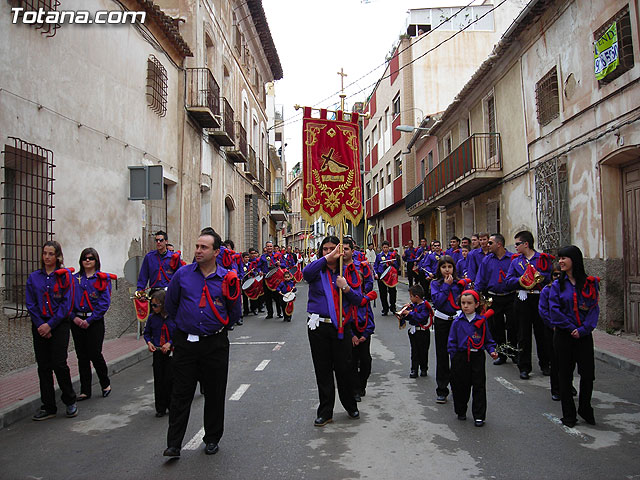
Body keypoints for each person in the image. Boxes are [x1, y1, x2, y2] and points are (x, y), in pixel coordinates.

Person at [163, 227, 241, 457]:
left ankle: (212, 438)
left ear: (216, 252)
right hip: (186, 344)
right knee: (180, 394)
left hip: (214, 344)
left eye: (203, 247)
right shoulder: (183, 274)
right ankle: (174, 444)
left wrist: (215, 328)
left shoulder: (227, 277)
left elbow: (234, 312)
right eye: (197, 246)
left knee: (215, 394)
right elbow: (171, 304)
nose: (198, 251)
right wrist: (182, 327)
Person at [303, 236, 364, 427]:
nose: (329, 252)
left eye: (333, 248)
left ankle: (350, 404)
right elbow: (305, 273)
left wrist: (345, 287)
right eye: (325, 249)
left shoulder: (347, 272)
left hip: (341, 327)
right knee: (323, 370)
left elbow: (358, 299)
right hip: (318, 327)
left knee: (344, 368)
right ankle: (325, 411)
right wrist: (326, 258)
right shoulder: (317, 271)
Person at [26, 241, 78, 421]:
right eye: (44, 253)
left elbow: (67, 304)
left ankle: (70, 400)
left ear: (57, 256)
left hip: (59, 325)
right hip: (40, 324)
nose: (47, 257)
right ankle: (48, 405)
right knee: (44, 367)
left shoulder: (65, 277)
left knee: (59, 363)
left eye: (50, 254)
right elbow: (31, 303)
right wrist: (41, 324)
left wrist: (51, 325)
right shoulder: (34, 278)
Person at [548, 246, 599, 427]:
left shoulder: (590, 283)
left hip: (583, 335)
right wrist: (571, 328)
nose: (560, 262)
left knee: (587, 375)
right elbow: (554, 310)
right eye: (559, 258)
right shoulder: (556, 285)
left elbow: (593, 308)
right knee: (565, 374)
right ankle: (568, 414)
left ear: (574, 260)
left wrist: (584, 329)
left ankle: (585, 407)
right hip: (564, 335)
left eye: (564, 258)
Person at [506, 231, 553, 380]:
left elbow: (551, 276)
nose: (516, 247)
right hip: (523, 298)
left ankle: (545, 364)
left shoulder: (542, 259)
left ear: (526, 244)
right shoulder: (515, 261)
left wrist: (540, 276)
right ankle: (524, 366)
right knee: (523, 334)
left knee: (542, 334)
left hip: (539, 298)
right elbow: (508, 281)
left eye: (518, 244)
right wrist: (521, 280)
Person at [447, 290, 498, 427]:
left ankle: (479, 415)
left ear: (476, 304)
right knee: (460, 386)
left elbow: (488, 340)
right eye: (463, 303)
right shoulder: (457, 321)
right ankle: (461, 410)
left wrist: (492, 351)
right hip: (461, 357)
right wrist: (454, 357)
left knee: (479, 386)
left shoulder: (481, 321)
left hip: (477, 356)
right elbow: (451, 341)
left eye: (469, 303)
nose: (465, 306)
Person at [71, 248, 112, 401]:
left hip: (93, 322)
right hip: (76, 321)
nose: (87, 261)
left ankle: (105, 383)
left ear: (96, 261)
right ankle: (85, 390)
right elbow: (68, 301)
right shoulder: (74, 279)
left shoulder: (101, 279)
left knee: (95, 354)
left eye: (91, 258)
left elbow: (104, 303)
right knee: (82, 357)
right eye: (84, 258)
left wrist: (90, 320)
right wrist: (74, 318)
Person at [474, 234, 516, 365]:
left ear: (499, 244)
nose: (487, 245)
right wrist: (475, 294)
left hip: (510, 296)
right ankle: (501, 354)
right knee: (496, 327)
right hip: (493, 298)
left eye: (490, 243)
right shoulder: (486, 260)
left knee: (513, 326)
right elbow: (481, 278)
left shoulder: (512, 259)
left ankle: (514, 352)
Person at [431, 256, 467, 404]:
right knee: (442, 355)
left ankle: (457, 387)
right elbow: (438, 302)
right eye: (444, 267)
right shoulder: (436, 283)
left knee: (458, 356)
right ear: (439, 269)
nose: (447, 270)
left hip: (457, 322)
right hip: (442, 321)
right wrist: (446, 286)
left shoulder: (459, 284)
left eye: (449, 267)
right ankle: (442, 389)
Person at [343, 238, 376, 402]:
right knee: (350, 360)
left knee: (365, 360)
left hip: (362, 325)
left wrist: (361, 296)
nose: (344, 252)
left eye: (347, 249)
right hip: (347, 324)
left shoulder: (361, 266)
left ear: (353, 250)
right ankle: (354, 389)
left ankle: (361, 385)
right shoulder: (337, 269)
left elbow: (369, 284)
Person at [143, 290, 176, 417]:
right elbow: (147, 333)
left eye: (156, 305)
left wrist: (170, 343)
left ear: (163, 305)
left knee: (170, 379)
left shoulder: (173, 317)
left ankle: (171, 405)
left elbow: (178, 333)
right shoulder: (152, 318)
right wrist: (149, 342)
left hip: (171, 352)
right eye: (152, 305)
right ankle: (160, 407)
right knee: (159, 380)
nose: (153, 308)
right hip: (158, 352)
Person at [397, 285, 433, 378]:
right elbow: (410, 318)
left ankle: (424, 369)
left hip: (423, 331)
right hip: (414, 332)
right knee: (415, 352)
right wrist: (403, 314)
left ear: (416, 297)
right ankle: (414, 370)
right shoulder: (413, 305)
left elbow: (422, 317)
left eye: (411, 296)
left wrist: (410, 313)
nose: (410, 299)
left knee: (423, 351)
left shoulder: (425, 306)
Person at [538, 264, 562, 401]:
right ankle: (556, 389)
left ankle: (567, 384)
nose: (558, 277)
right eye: (555, 275)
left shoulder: (566, 289)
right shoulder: (547, 290)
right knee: (555, 359)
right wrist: (553, 325)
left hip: (565, 329)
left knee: (567, 361)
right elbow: (543, 310)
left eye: (560, 274)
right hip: (551, 329)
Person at [257, 241, 285, 319]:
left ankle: (279, 313)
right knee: (267, 297)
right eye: (268, 246)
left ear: (273, 247)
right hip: (266, 279)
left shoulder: (278, 256)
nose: (269, 248)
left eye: (270, 246)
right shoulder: (262, 257)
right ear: (266, 248)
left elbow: (284, 264)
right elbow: (258, 267)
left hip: (276, 279)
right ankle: (270, 313)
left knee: (277, 297)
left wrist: (280, 264)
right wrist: (259, 271)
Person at [374, 241, 399, 315]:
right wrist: (376, 274)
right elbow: (375, 266)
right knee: (383, 293)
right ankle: (385, 309)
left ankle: (393, 307)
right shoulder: (379, 256)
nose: (385, 249)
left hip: (391, 277)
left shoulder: (392, 256)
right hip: (382, 277)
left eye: (387, 247)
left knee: (393, 292)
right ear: (382, 248)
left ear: (389, 248)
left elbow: (397, 266)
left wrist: (393, 263)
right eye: (384, 247)